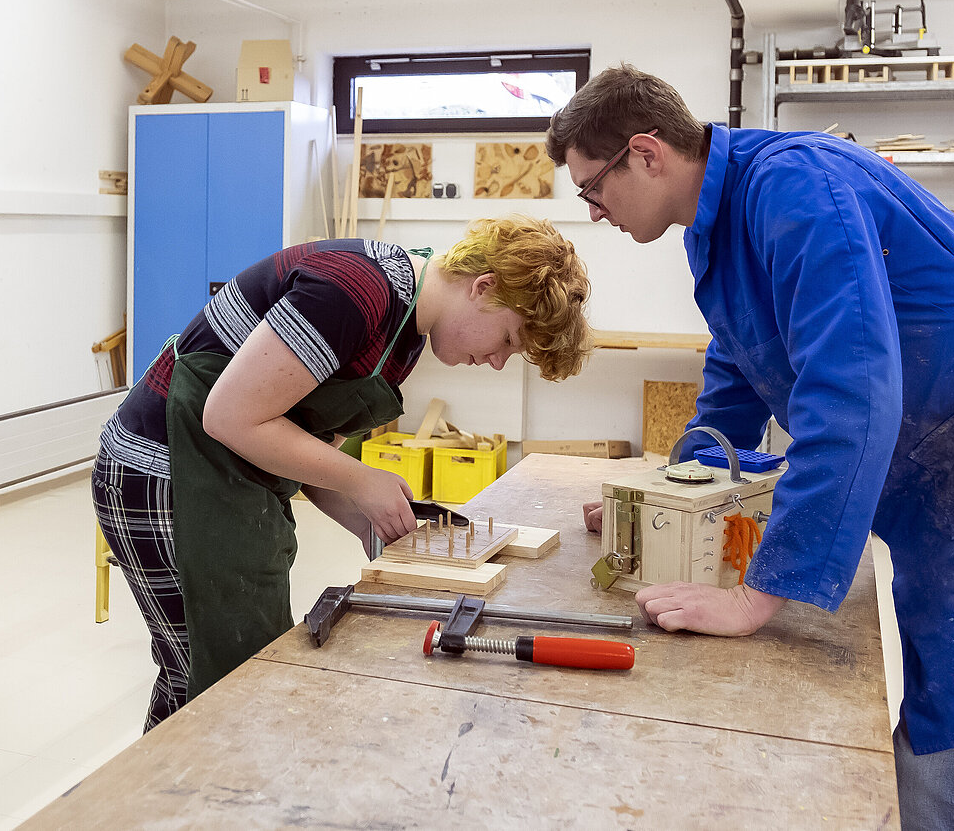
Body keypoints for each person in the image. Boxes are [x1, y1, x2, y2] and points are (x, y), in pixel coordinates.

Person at [546, 64, 954, 829]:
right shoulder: (716, 229)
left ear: (646, 154)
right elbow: (737, 374)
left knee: (942, 765)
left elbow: (850, 394)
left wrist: (760, 595)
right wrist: (662, 498)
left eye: (593, 188)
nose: (594, 211)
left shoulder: (795, 187)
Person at [93, 216, 591, 730]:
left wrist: (365, 519)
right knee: (204, 675)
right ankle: (160, 803)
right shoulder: (355, 289)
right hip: (159, 471)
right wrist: (362, 480)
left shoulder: (405, 337)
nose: (498, 362)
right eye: (507, 340)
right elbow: (230, 416)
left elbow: (301, 451)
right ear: (483, 288)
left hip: (227, 480)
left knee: (233, 676)